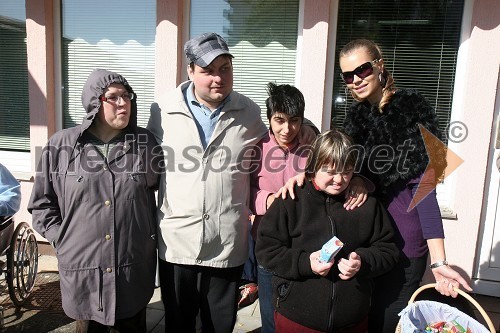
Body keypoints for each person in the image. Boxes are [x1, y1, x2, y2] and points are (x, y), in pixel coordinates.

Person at [146, 32, 317, 333]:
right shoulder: (163, 111)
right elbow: (145, 167)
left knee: (218, 325)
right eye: (208, 70)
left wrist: (309, 129)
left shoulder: (249, 112)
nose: (218, 78)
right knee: (179, 324)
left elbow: (278, 135)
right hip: (177, 241)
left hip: (226, 243)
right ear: (190, 71)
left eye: (225, 68)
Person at [338, 38, 472, 333]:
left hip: (403, 248)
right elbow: (340, 172)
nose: (355, 80)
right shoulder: (354, 119)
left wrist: (439, 263)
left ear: (379, 65)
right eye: (347, 75)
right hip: (366, 243)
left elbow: (425, 190)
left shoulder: (411, 109)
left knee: (386, 324)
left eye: (361, 70)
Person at [28, 69, 162, 332]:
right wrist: (62, 237)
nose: (123, 103)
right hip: (84, 271)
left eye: (127, 96)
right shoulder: (61, 146)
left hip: (132, 269)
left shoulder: (145, 144)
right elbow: (42, 204)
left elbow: (166, 193)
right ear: (94, 102)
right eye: (113, 97)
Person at [255, 129, 399, 333]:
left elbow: (388, 249)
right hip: (297, 320)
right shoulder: (290, 200)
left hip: (352, 321)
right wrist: (305, 263)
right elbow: (266, 250)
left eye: (347, 171)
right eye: (330, 172)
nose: (339, 180)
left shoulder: (366, 204)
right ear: (313, 168)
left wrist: (363, 262)